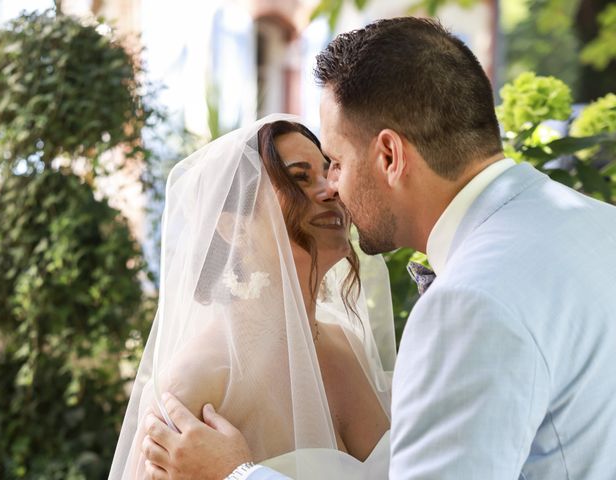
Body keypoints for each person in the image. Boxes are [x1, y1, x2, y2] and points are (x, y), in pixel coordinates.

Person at [141, 16, 616, 480]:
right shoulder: (601, 226)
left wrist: (236, 475)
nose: (333, 187)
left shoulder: (467, 301)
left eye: (337, 164)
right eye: (302, 177)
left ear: (389, 156)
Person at [108, 114, 396, 480]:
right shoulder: (196, 381)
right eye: (299, 178)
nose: (330, 190)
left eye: (329, 173)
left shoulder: (345, 346)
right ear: (233, 226)